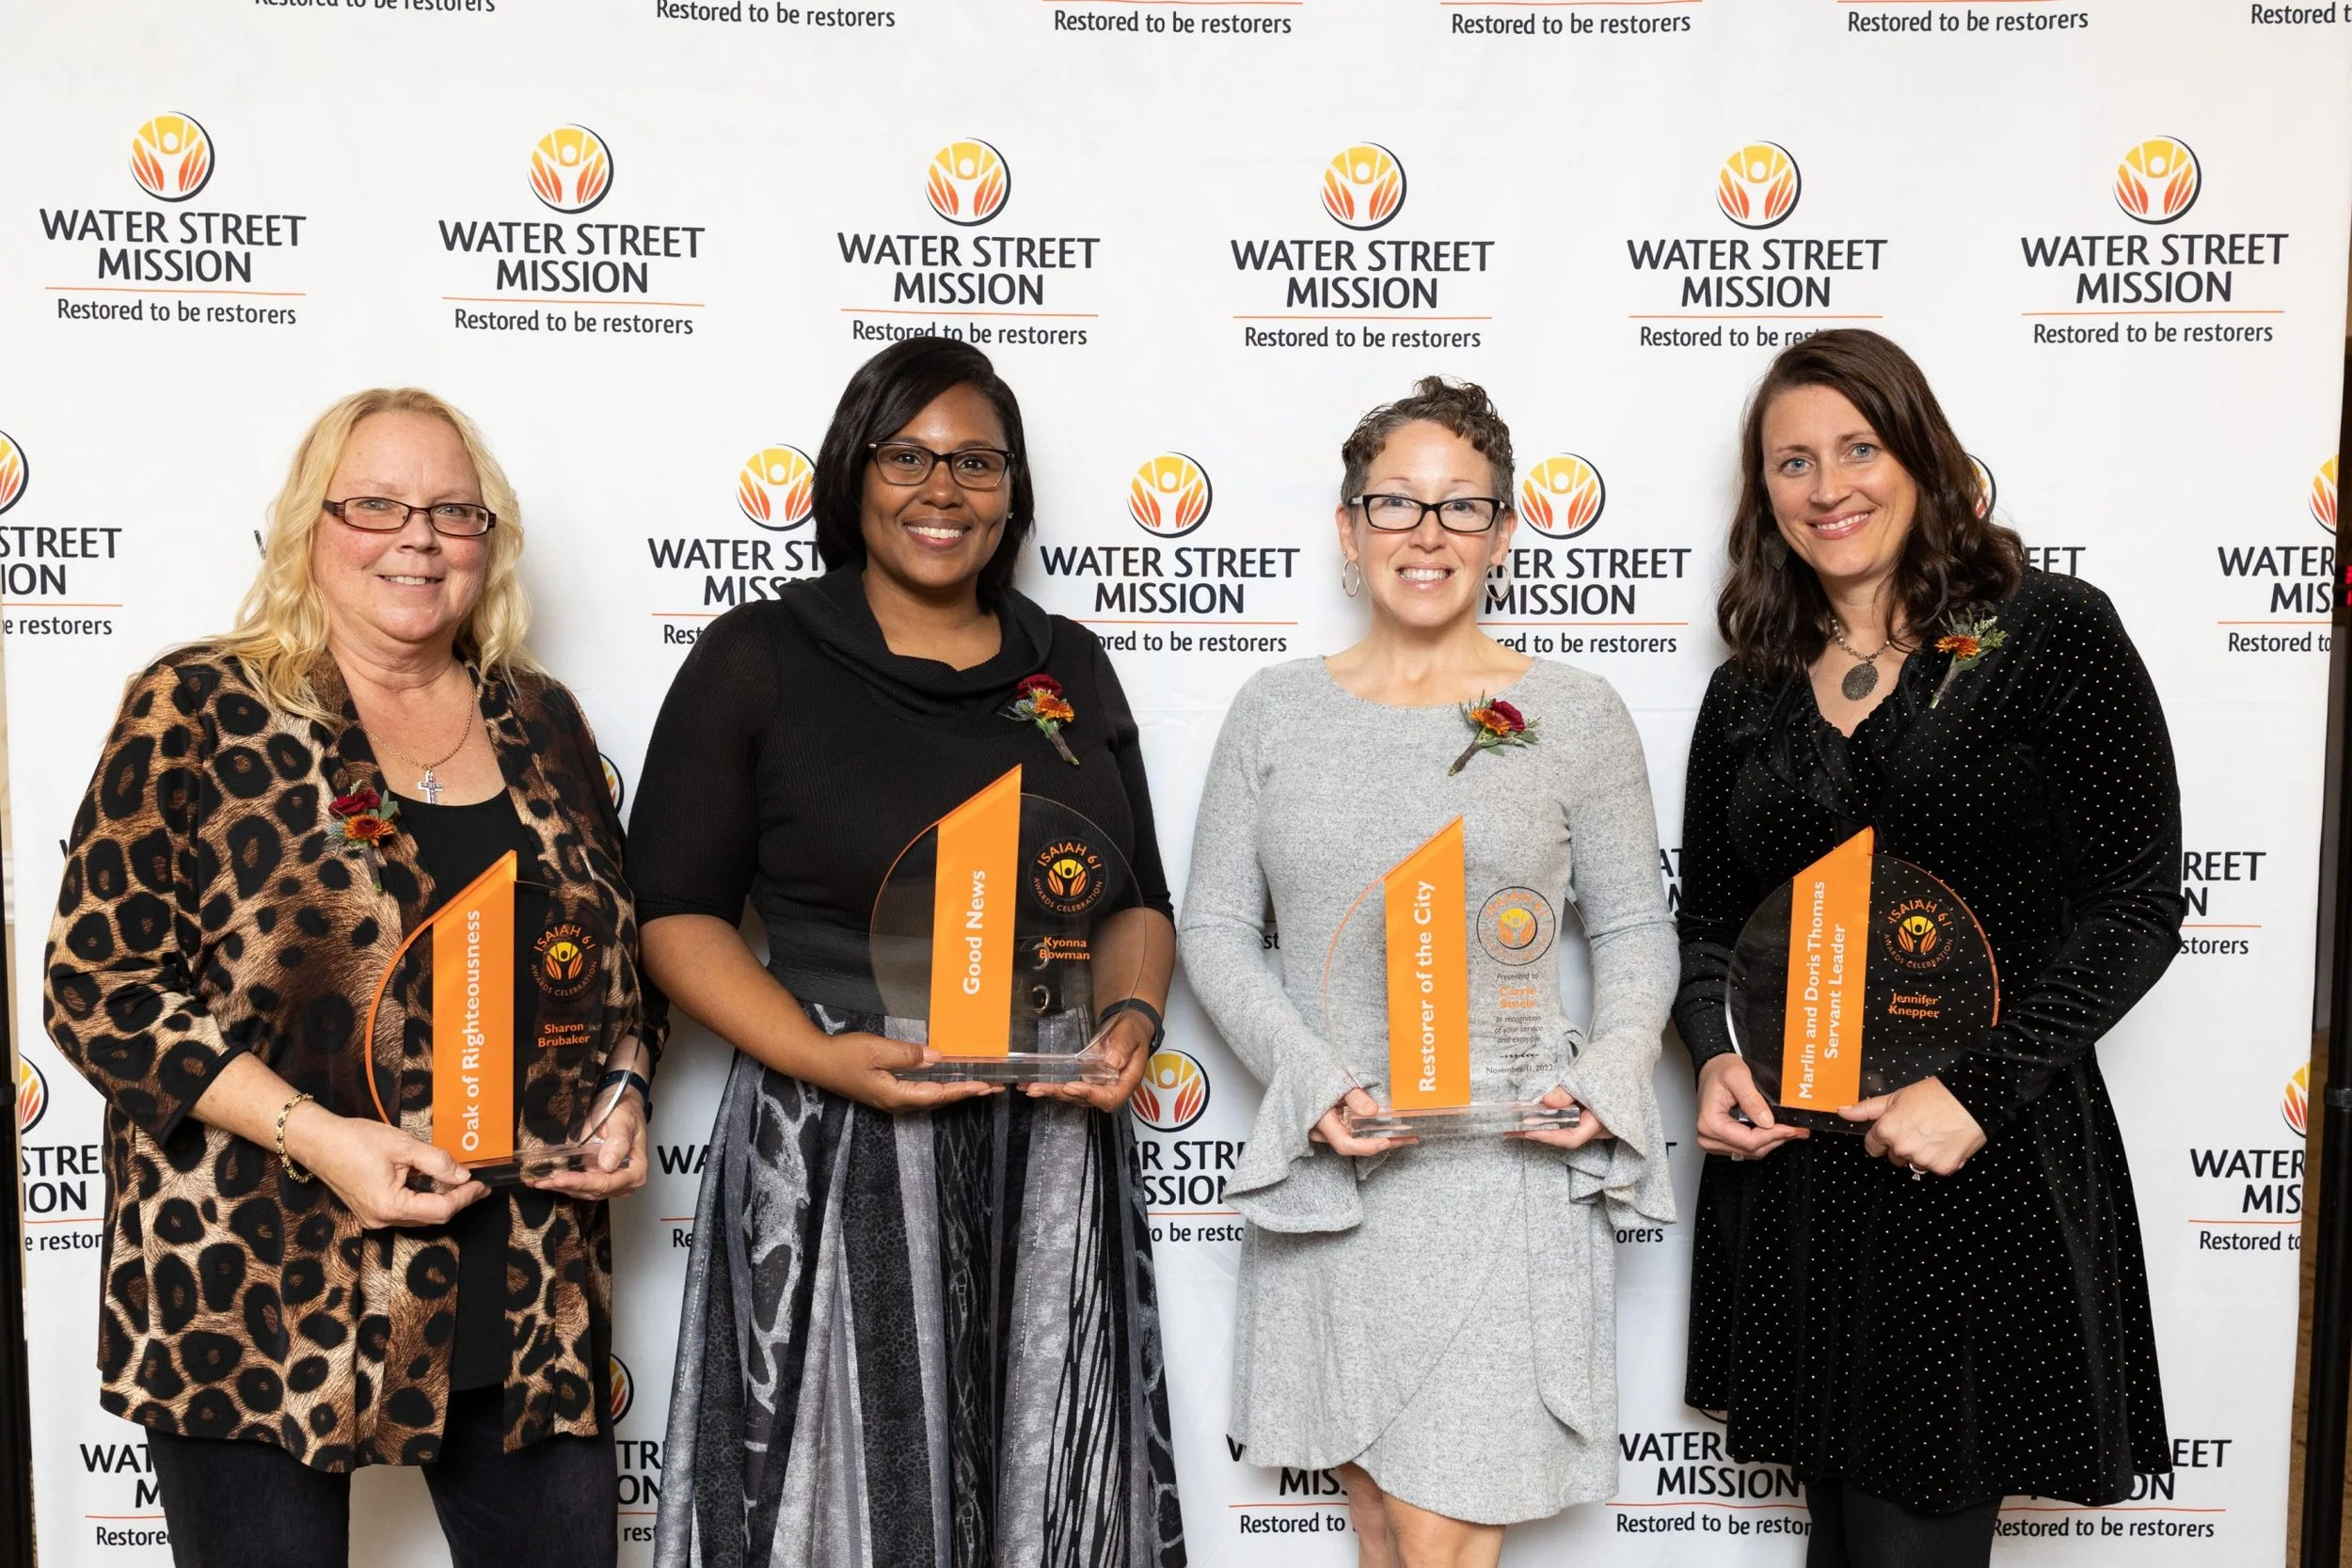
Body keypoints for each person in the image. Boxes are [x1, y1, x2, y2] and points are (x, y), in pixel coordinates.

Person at [42, 388, 659, 1568]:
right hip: (264, 1280)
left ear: (490, 540)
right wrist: (316, 1133)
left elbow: (616, 971)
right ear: (310, 528)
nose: (417, 537)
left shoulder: (543, 720)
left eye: (451, 510)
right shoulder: (200, 708)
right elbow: (97, 984)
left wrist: (625, 1082)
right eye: (375, 504)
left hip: (523, 1279)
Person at [630, 336, 1184, 1567]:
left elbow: (1137, 896)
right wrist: (822, 1062)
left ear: (1014, 487)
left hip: (1047, 1140)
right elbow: (672, 910)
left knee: (1045, 1496)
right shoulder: (758, 655)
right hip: (840, 1122)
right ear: (853, 473)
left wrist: (1132, 1019)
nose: (944, 489)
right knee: (839, 1506)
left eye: (977, 461)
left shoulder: (1067, 661)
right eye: (909, 456)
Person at [1676, 329, 2180, 1568]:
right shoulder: (1750, 685)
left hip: (1974, 1164)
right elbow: (1708, 923)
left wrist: (1976, 1091)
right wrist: (1710, 1054)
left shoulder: (2048, 632)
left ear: (1922, 455)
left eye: (1860, 445)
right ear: (1764, 494)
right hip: (1799, 1173)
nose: (1828, 483)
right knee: (1843, 1539)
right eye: (1791, 460)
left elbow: (2136, 902)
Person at [1178, 377, 1678, 1568]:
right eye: (1395, 502)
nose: (1428, 532)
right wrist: (1305, 1075)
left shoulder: (1576, 711)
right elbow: (1211, 928)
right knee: (1381, 1533)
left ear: (1505, 533)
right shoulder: (1274, 709)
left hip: (1504, 1168)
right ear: (1348, 531)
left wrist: (1610, 1070)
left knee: (1441, 1541)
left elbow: (1630, 930)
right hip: (1340, 1171)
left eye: (1463, 507)